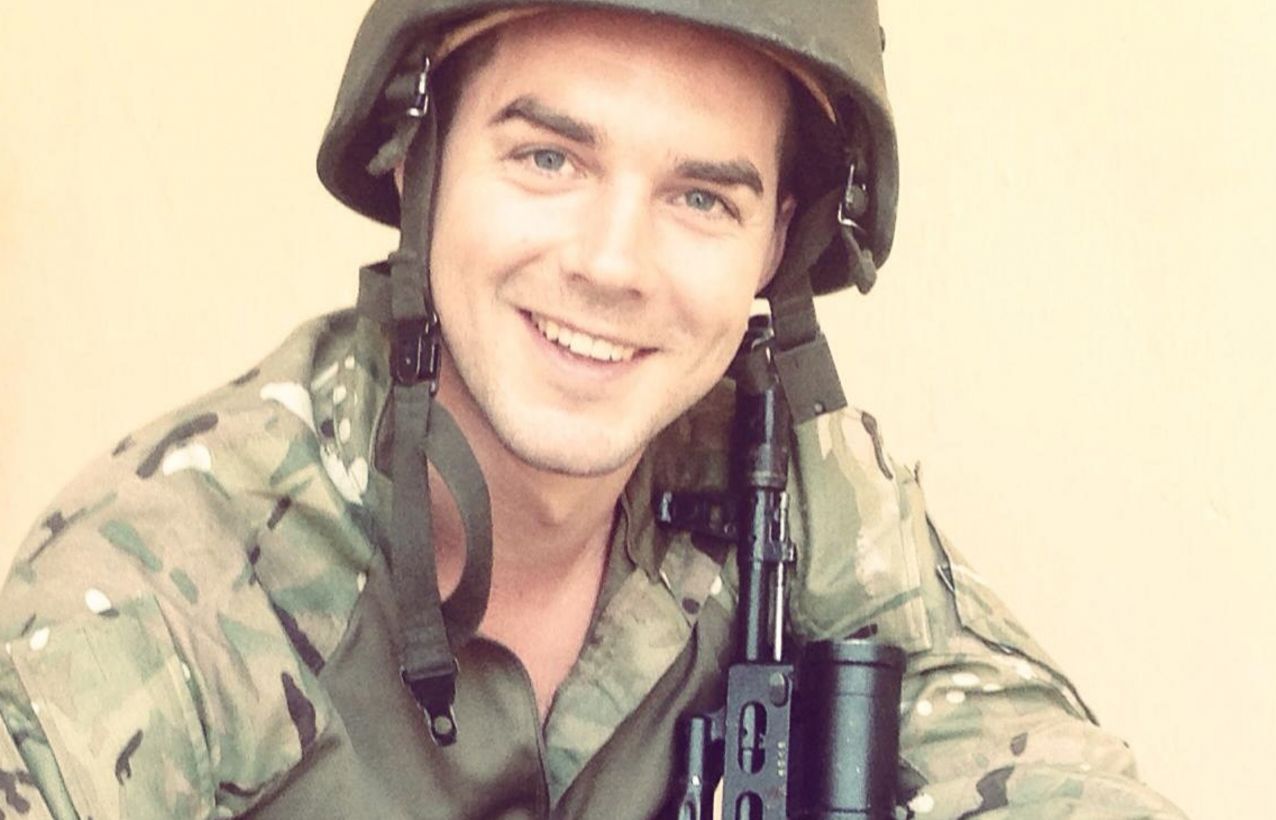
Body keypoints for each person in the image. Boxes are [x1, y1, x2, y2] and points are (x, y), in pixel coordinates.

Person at [0, 1, 1186, 817]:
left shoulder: (790, 497)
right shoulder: (174, 577)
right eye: (548, 160)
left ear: (775, 244)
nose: (613, 264)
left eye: (702, 199)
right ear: (418, 164)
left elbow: (1063, 780)